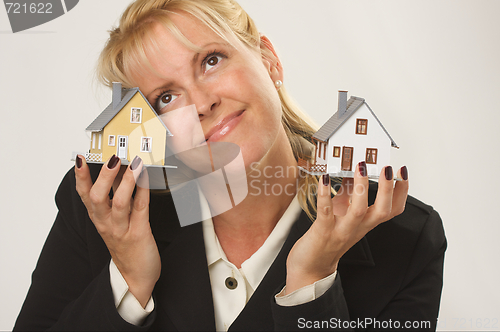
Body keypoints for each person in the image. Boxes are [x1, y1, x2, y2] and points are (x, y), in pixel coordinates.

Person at [14, 0, 446, 330]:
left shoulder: (404, 240)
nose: (202, 104)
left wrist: (310, 281)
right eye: (167, 97)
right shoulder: (100, 211)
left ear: (268, 59)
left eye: (211, 61)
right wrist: (128, 281)